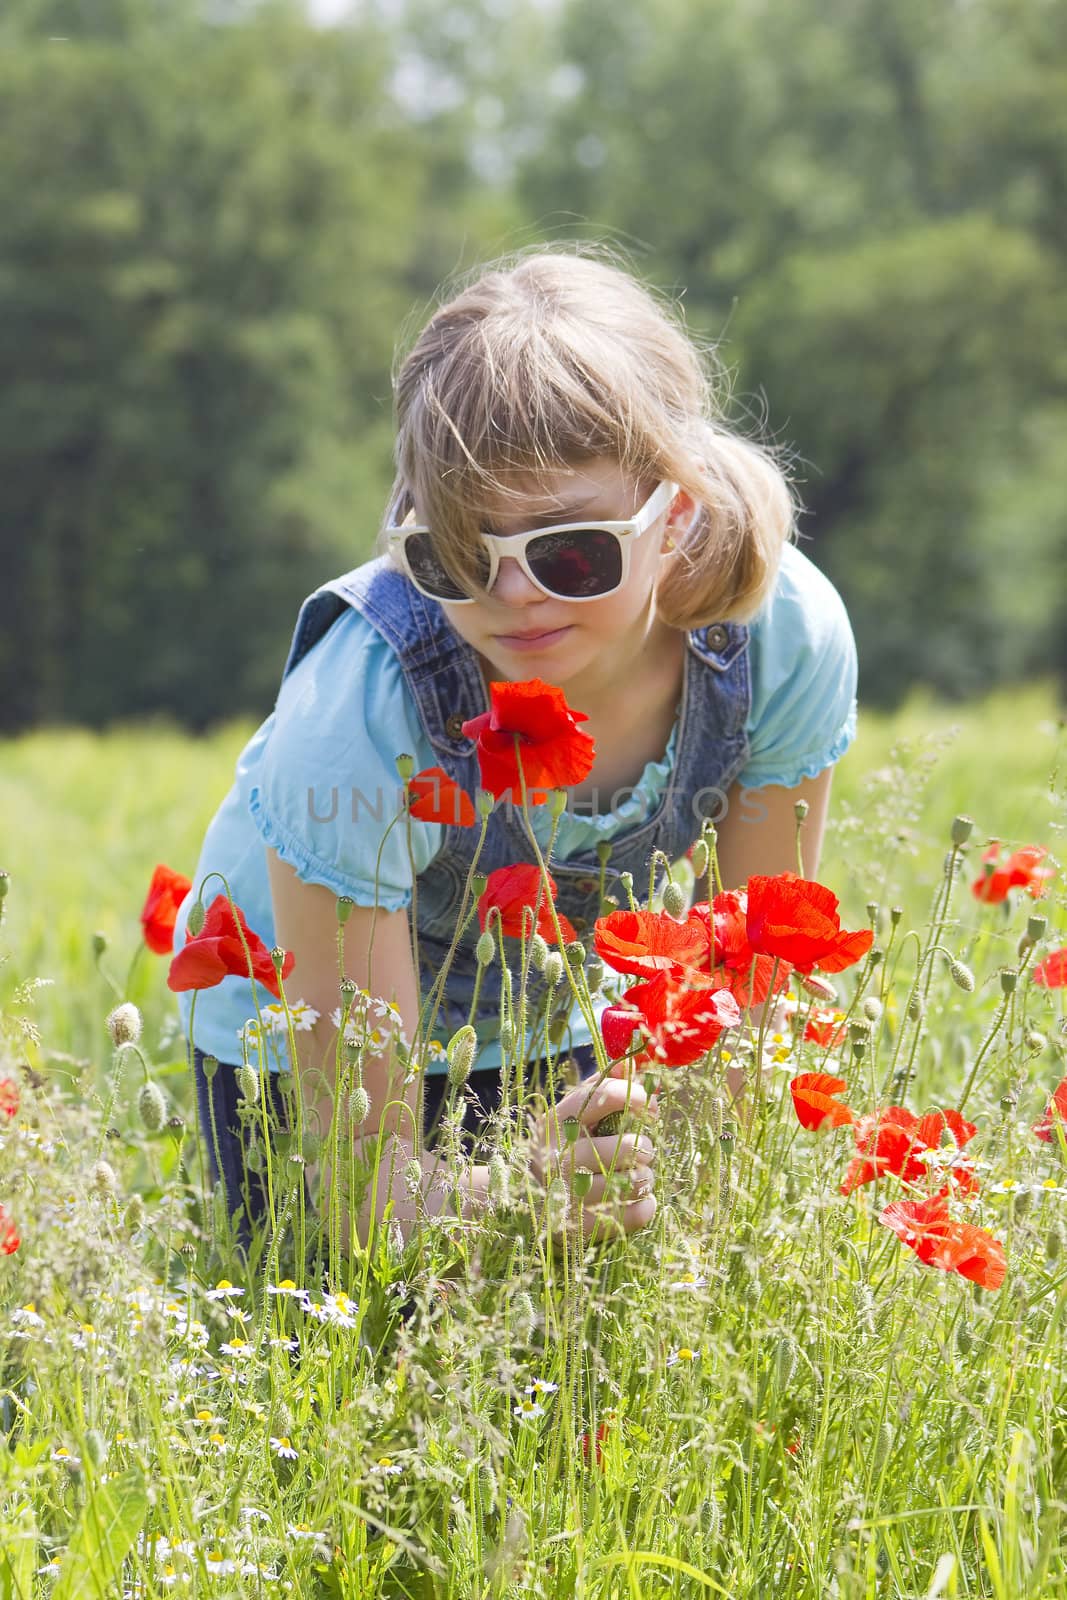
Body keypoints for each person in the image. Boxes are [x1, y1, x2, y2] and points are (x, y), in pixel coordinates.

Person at [172, 246, 858, 1255]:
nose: (513, 594)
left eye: (568, 548)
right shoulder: (359, 715)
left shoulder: (780, 632)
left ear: (674, 513)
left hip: (564, 1014)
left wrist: (704, 1185)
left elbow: (750, 1006)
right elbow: (362, 1185)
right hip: (311, 1047)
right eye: (454, 552)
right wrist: (493, 1204)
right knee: (362, 1330)